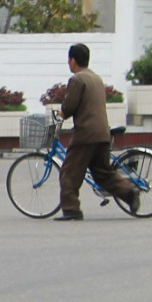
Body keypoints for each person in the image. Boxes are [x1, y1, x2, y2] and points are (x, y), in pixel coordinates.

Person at [55, 42, 138, 220]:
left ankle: (71, 210)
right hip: (102, 133)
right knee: (102, 173)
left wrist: (58, 115)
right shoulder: (96, 78)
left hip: (86, 134)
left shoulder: (77, 79)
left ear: (73, 60)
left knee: (69, 172)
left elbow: (69, 106)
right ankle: (128, 193)